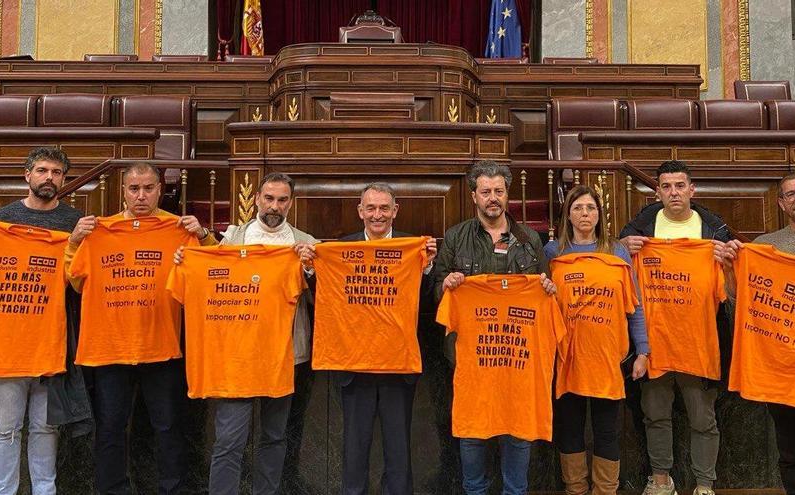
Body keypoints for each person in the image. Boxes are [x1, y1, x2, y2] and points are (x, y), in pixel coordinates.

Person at [67, 162, 215, 494]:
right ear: (122, 192)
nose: (141, 196)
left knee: (168, 427)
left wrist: (203, 236)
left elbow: (213, 271)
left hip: (160, 345)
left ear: (160, 190)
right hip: (109, 348)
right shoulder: (97, 232)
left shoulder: (178, 229)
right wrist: (75, 243)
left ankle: (172, 489)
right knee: (110, 428)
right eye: (134, 189)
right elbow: (75, 282)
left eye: (148, 188)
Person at [175, 172, 319, 494]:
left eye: (282, 200)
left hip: (285, 355)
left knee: (275, 436)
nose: (274, 206)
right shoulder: (233, 239)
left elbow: (325, 296)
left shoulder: (305, 243)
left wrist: (310, 267)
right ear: (256, 199)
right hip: (236, 356)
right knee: (228, 439)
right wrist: (189, 258)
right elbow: (211, 271)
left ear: (291, 204)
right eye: (269, 198)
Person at [299, 182, 437, 495]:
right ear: (360, 211)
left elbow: (427, 305)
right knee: (354, 449)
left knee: (399, 450)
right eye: (371, 208)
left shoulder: (411, 246)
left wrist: (427, 269)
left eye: (384, 208)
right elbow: (325, 299)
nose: (378, 215)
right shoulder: (340, 249)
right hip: (354, 365)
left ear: (395, 211)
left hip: (397, 365)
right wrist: (311, 269)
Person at [0, 147, 86, 495]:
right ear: (27, 175)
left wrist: (75, 244)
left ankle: (44, 490)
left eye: (58, 172)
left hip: (52, 341)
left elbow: (80, 278)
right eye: (43, 170)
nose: (50, 178)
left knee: (45, 427)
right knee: (5, 427)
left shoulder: (72, 223)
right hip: (7, 344)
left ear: (64, 179)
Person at [718, 173, 795, 495]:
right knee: (792, 453)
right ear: (781, 204)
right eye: (791, 195)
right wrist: (732, 267)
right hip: (783, 363)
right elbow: (743, 298)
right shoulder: (764, 248)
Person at [434, 160, 554, 495]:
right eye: (485, 191)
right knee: (472, 432)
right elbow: (435, 292)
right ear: (474, 196)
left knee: (518, 431)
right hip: (469, 356)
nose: (493, 198)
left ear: (507, 194)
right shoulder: (456, 238)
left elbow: (547, 291)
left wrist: (547, 289)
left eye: (498, 191)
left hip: (518, 358)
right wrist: (447, 284)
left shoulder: (529, 239)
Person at [619, 160, 731, 495]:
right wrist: (624, 249)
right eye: (666, 186)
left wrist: (726, 258)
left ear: (692, 190)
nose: (673, 192)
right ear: (657, 191)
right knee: (655, 415)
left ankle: (704, 483)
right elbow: (616, 271)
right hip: (653, 343)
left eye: (680, 185)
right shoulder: (639, 230)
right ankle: (660, 480)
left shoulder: (712, 230)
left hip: (698, 343)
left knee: (703, 419)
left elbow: (727, 292)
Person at [545, 185, 649, 495]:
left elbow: (635, 305)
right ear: (568, 215)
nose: (584, 214)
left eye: (590, 207)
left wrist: (642, 349)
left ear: (599, 214)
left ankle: (605, 491)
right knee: (570, 430)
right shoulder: (553, 253)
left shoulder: (615, 250)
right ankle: (575, 489)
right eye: (577, 208)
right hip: (567, 357)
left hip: (607, 357)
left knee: (606, 432)